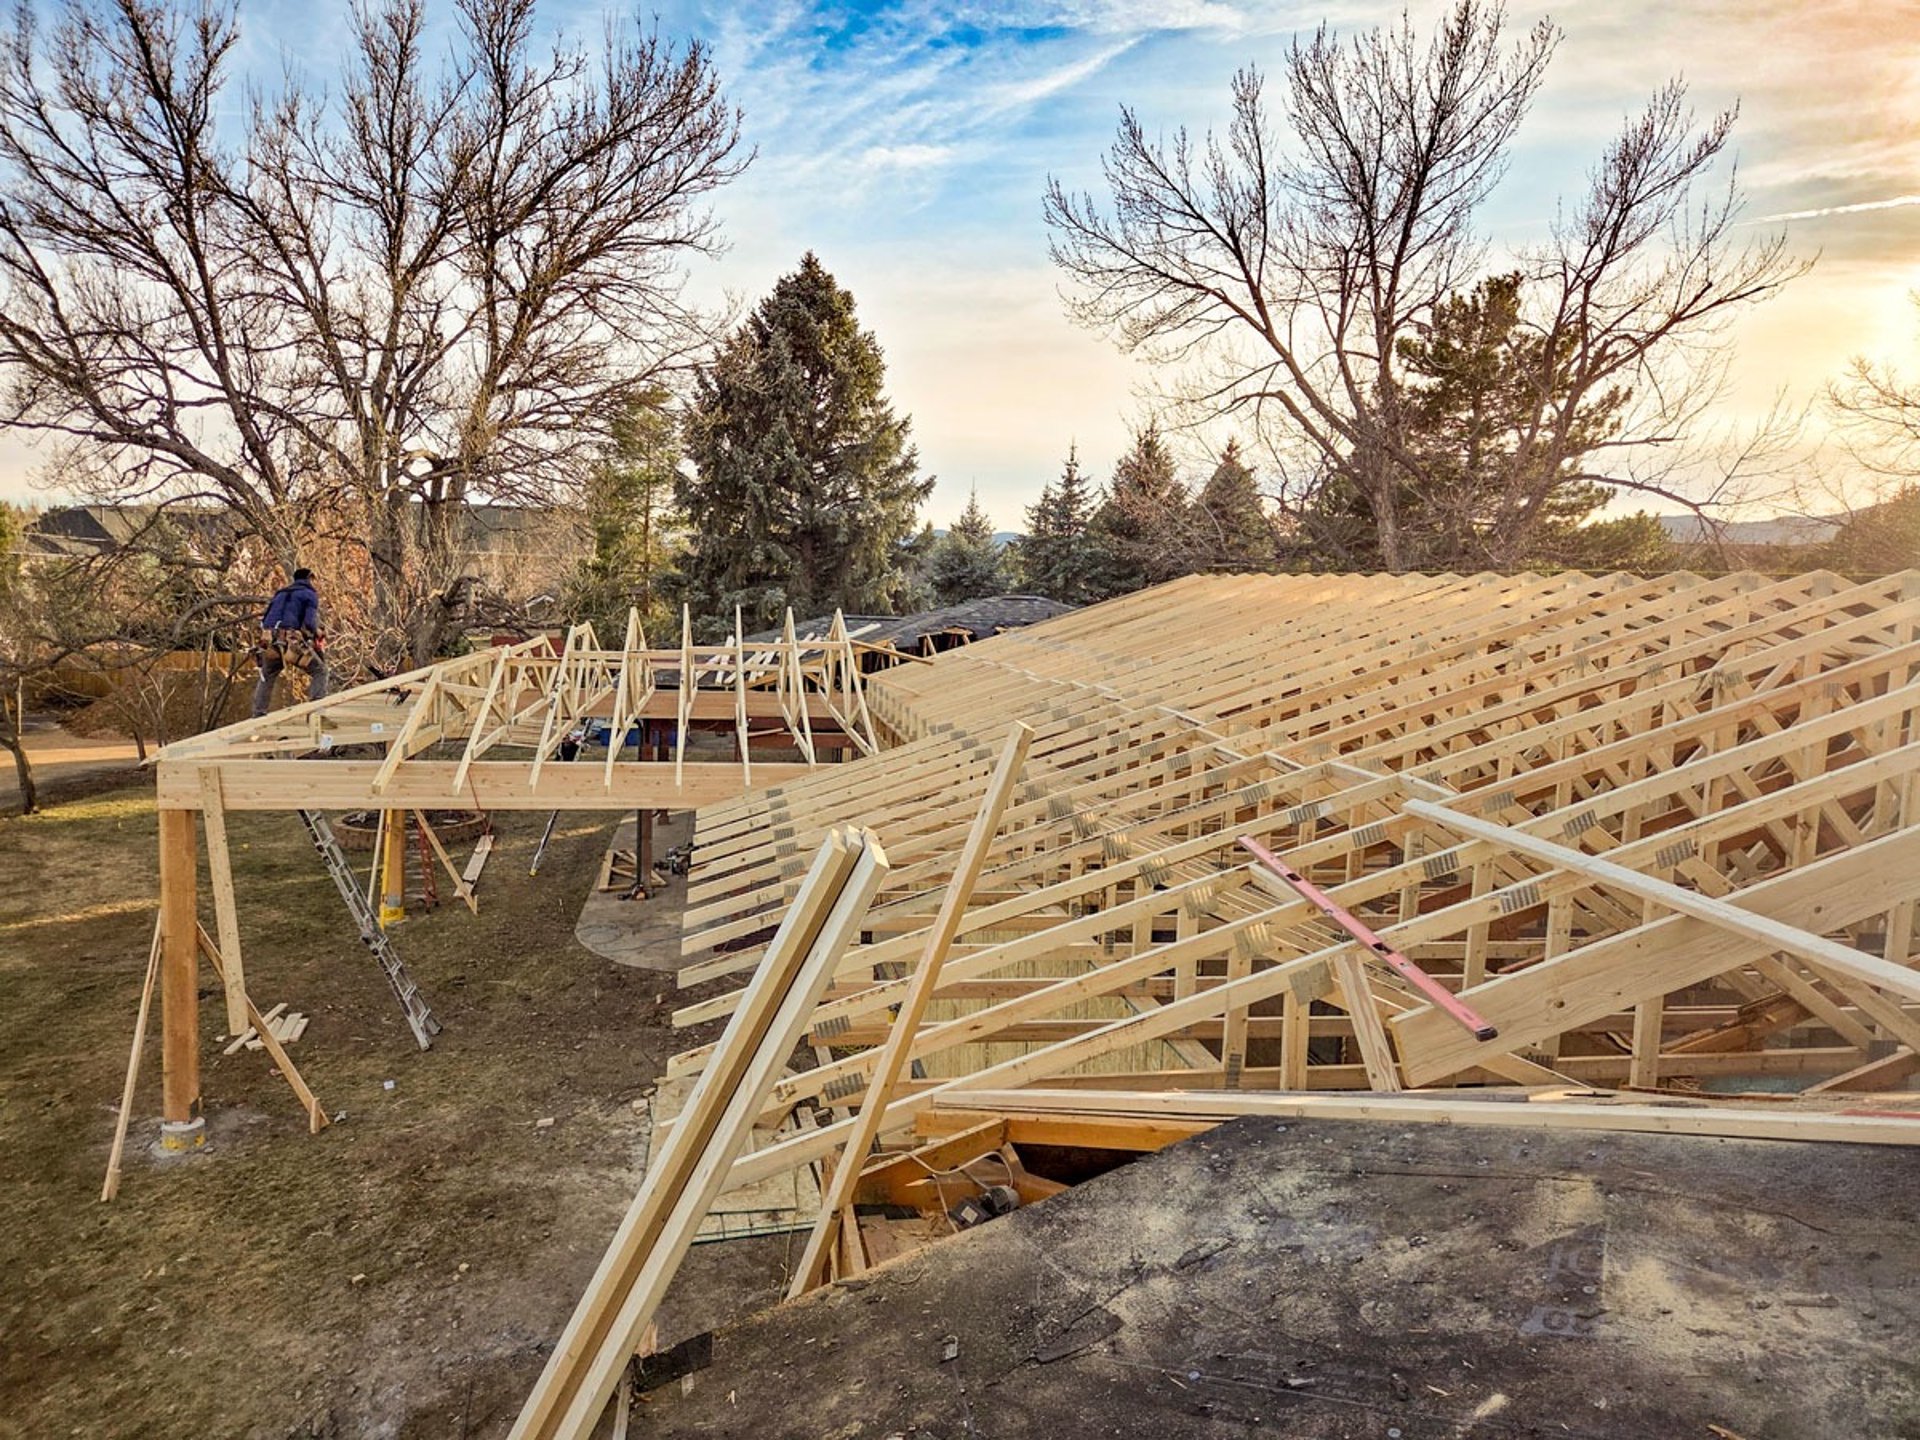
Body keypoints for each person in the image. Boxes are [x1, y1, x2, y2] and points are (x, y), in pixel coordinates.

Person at [251, 566, 329, 717]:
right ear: (310, 578)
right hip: (290, 640)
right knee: (320, 671)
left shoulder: (280, 594)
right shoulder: (309, 594)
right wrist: (317, 633)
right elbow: (310, 623)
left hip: (270, 640)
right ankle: (317, 714)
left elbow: (266, 619)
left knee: (267, 674)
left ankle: (258, 713)